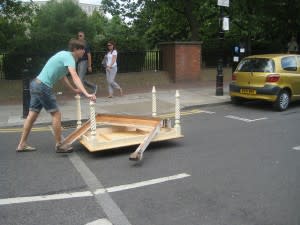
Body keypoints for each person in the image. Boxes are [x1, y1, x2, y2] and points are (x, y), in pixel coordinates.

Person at [16, 38, 96, 153]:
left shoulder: (64, 56)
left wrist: (73, 89)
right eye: (81, 49)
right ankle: (59, 145)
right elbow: (75, 76)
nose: (84, 51)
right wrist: (87, 93)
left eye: (84, 49)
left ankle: (21, 144)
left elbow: (62, 76)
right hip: (43, 86)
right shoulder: (69, 58)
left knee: (31, 116)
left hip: (36, 84)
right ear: (75, 50)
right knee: (56, 114)